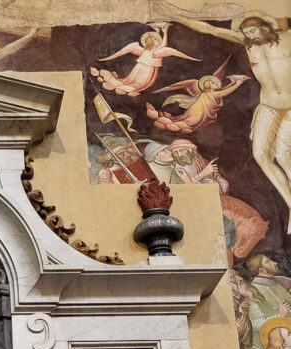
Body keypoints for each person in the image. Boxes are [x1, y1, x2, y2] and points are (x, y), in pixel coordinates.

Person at [165, 11, 291, 229]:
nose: (250, 35)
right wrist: (174, 15)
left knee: (283, 153)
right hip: (268, 105)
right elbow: (210, 29)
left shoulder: (288, 38)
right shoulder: (248, 43)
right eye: (246, 32)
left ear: (265, 27)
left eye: (253, 30)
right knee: (260, 154)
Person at [91, 22, 199, 97]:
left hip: (147, 69)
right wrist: (165, 31)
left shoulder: (151, 50)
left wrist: (159, 31)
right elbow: (163, 44)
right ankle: (127, 86)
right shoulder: (151, 50)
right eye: (155, 40)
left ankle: (127, 86)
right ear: (150, 43)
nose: (158, 41)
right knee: (132, 81)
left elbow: (161, 43)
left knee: (136, 82)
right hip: (142, 69)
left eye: (157, 40)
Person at [145, 60, 249, 134]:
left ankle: (166, 120)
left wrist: (232, 82)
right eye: (212, 83)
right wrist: (239, 83)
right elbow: (226, 92)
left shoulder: (210, 92)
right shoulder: (211, 93)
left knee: (186, 122)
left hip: (196, 110)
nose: (216, 84)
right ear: (207, 85)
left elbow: (223, 90)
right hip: (197, 112)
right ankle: (166, 121)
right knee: (190, 122)